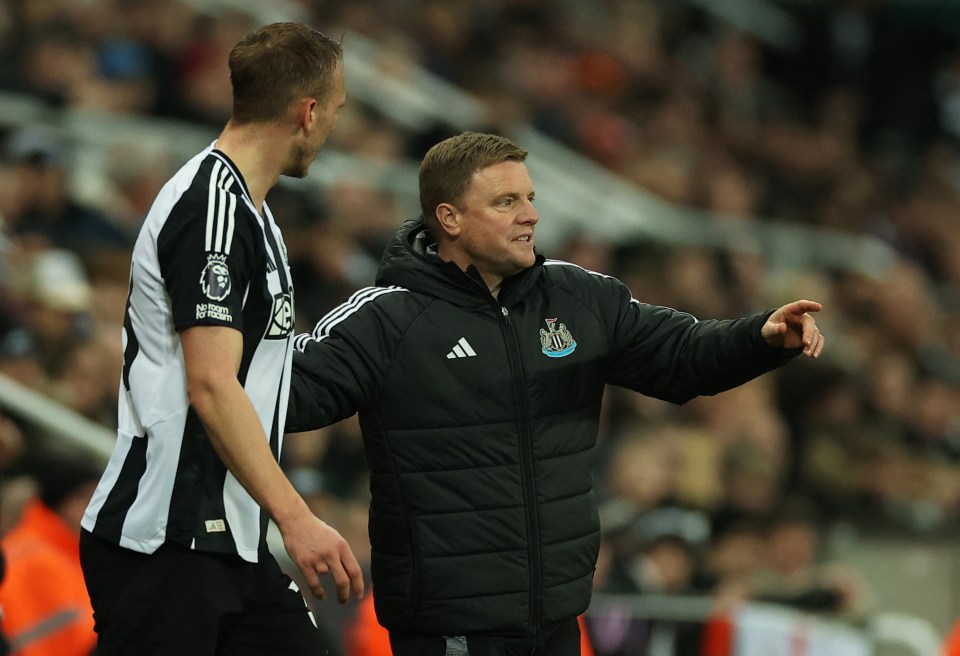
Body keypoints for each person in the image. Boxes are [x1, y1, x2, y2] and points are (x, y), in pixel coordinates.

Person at [286, 131, 826, 655]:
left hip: (557, 619)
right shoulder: (385, 319)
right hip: (451, 629)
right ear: (449, 217)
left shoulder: (578, 298)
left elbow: (682, 354)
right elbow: (285, 391)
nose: (531, 215)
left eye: (530, 198)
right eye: (506, 201)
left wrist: (760, 338)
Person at [78, 22, 363, 656]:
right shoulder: (211, 208)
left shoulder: (253, 213)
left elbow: (263, 373)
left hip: (227, 540)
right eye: (337, 111)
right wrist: (296, 517)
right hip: (167, 540)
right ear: (308, 111)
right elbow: (210, 383)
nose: (336, 127)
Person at [0, 455, 101, 656]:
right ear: (64, 501)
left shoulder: (71, 559)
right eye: (90, 498)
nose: (101, 508)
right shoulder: (36, 555)